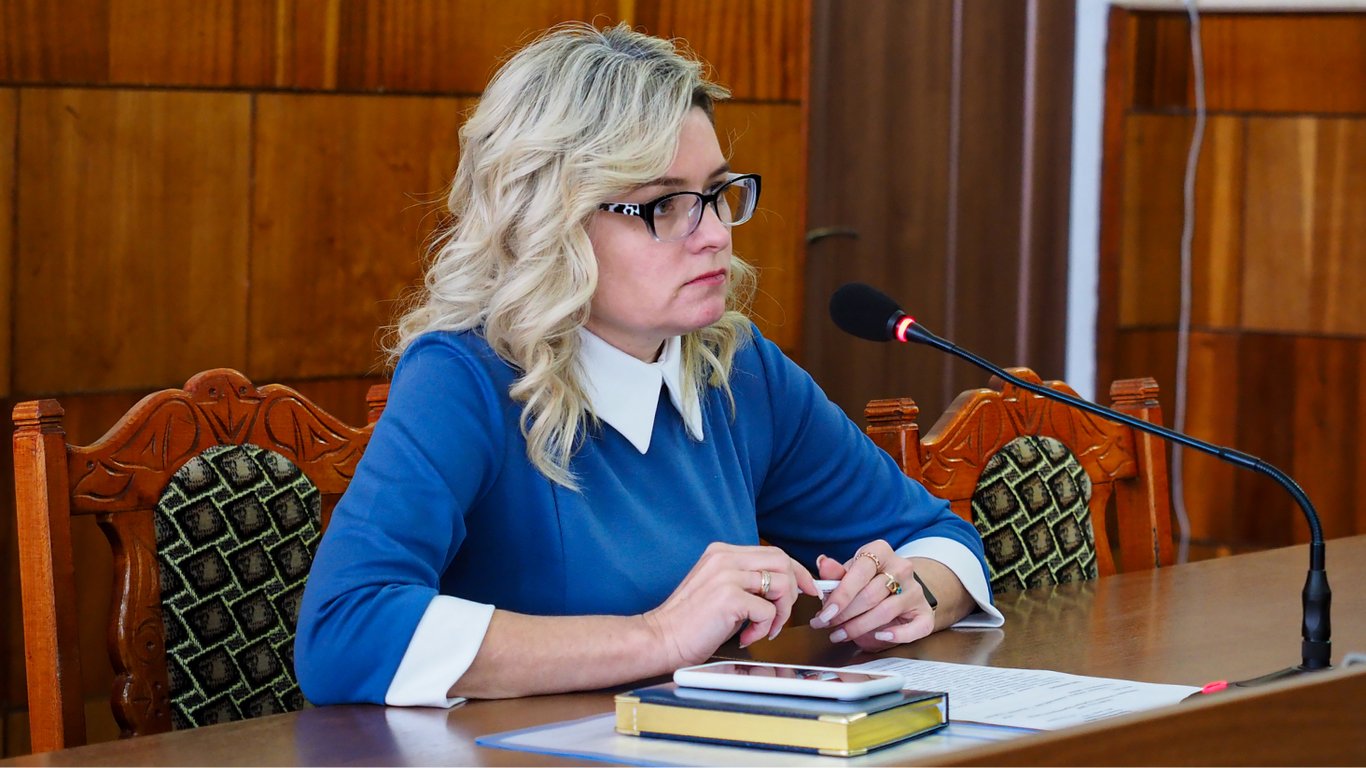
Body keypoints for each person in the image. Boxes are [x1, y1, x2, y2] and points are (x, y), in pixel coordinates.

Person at [295, 22, 1003, 707]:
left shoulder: (736, 369)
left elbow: (941, 540)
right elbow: (345, 631)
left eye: (718, 194)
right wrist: (658, 635)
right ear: (551, 221)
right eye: (665, 205)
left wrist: (907, 593)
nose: (715, 233)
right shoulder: (465, 378)